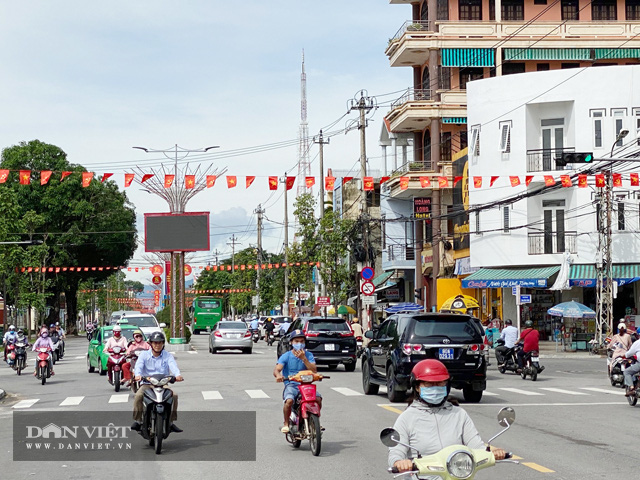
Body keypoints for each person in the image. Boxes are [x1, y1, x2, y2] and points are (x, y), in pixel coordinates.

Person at [388, 359, 506, 473]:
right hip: (421, 476)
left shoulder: (459, 414)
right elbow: (396, 450)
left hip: (457, 474)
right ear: (417, 387)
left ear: (447, 385)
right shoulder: (407, 418)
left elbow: (475, 444)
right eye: (429, 384)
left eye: (440, 383)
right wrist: (399, 462)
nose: (435, 387)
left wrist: (491, 452)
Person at [131, 332, 184, 433]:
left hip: (163, 384)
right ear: (151, 344)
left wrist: (177, 375)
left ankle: (171, 422)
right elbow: (139, 366)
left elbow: (173, 366)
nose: (157, 345)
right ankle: (137, 420)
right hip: (147, 384)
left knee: (174, 396)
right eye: (155, 343)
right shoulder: (144, 355)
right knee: (138, 396)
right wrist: (137, 375)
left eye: (159, 343)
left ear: (163, 343)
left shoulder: (167, 355)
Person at [273, 329, 322, 434]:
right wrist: (278, 376)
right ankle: (286, 423)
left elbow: (314, 370)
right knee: (289, 401)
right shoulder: (286, 356)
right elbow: (277, 369)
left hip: (306, 384)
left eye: (301, 341)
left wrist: (304, 359)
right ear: (291, 342)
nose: (299, 344)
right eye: (296, 341)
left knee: (317, 399)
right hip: (292, 385)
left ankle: (315, 422)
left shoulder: (308, 355)